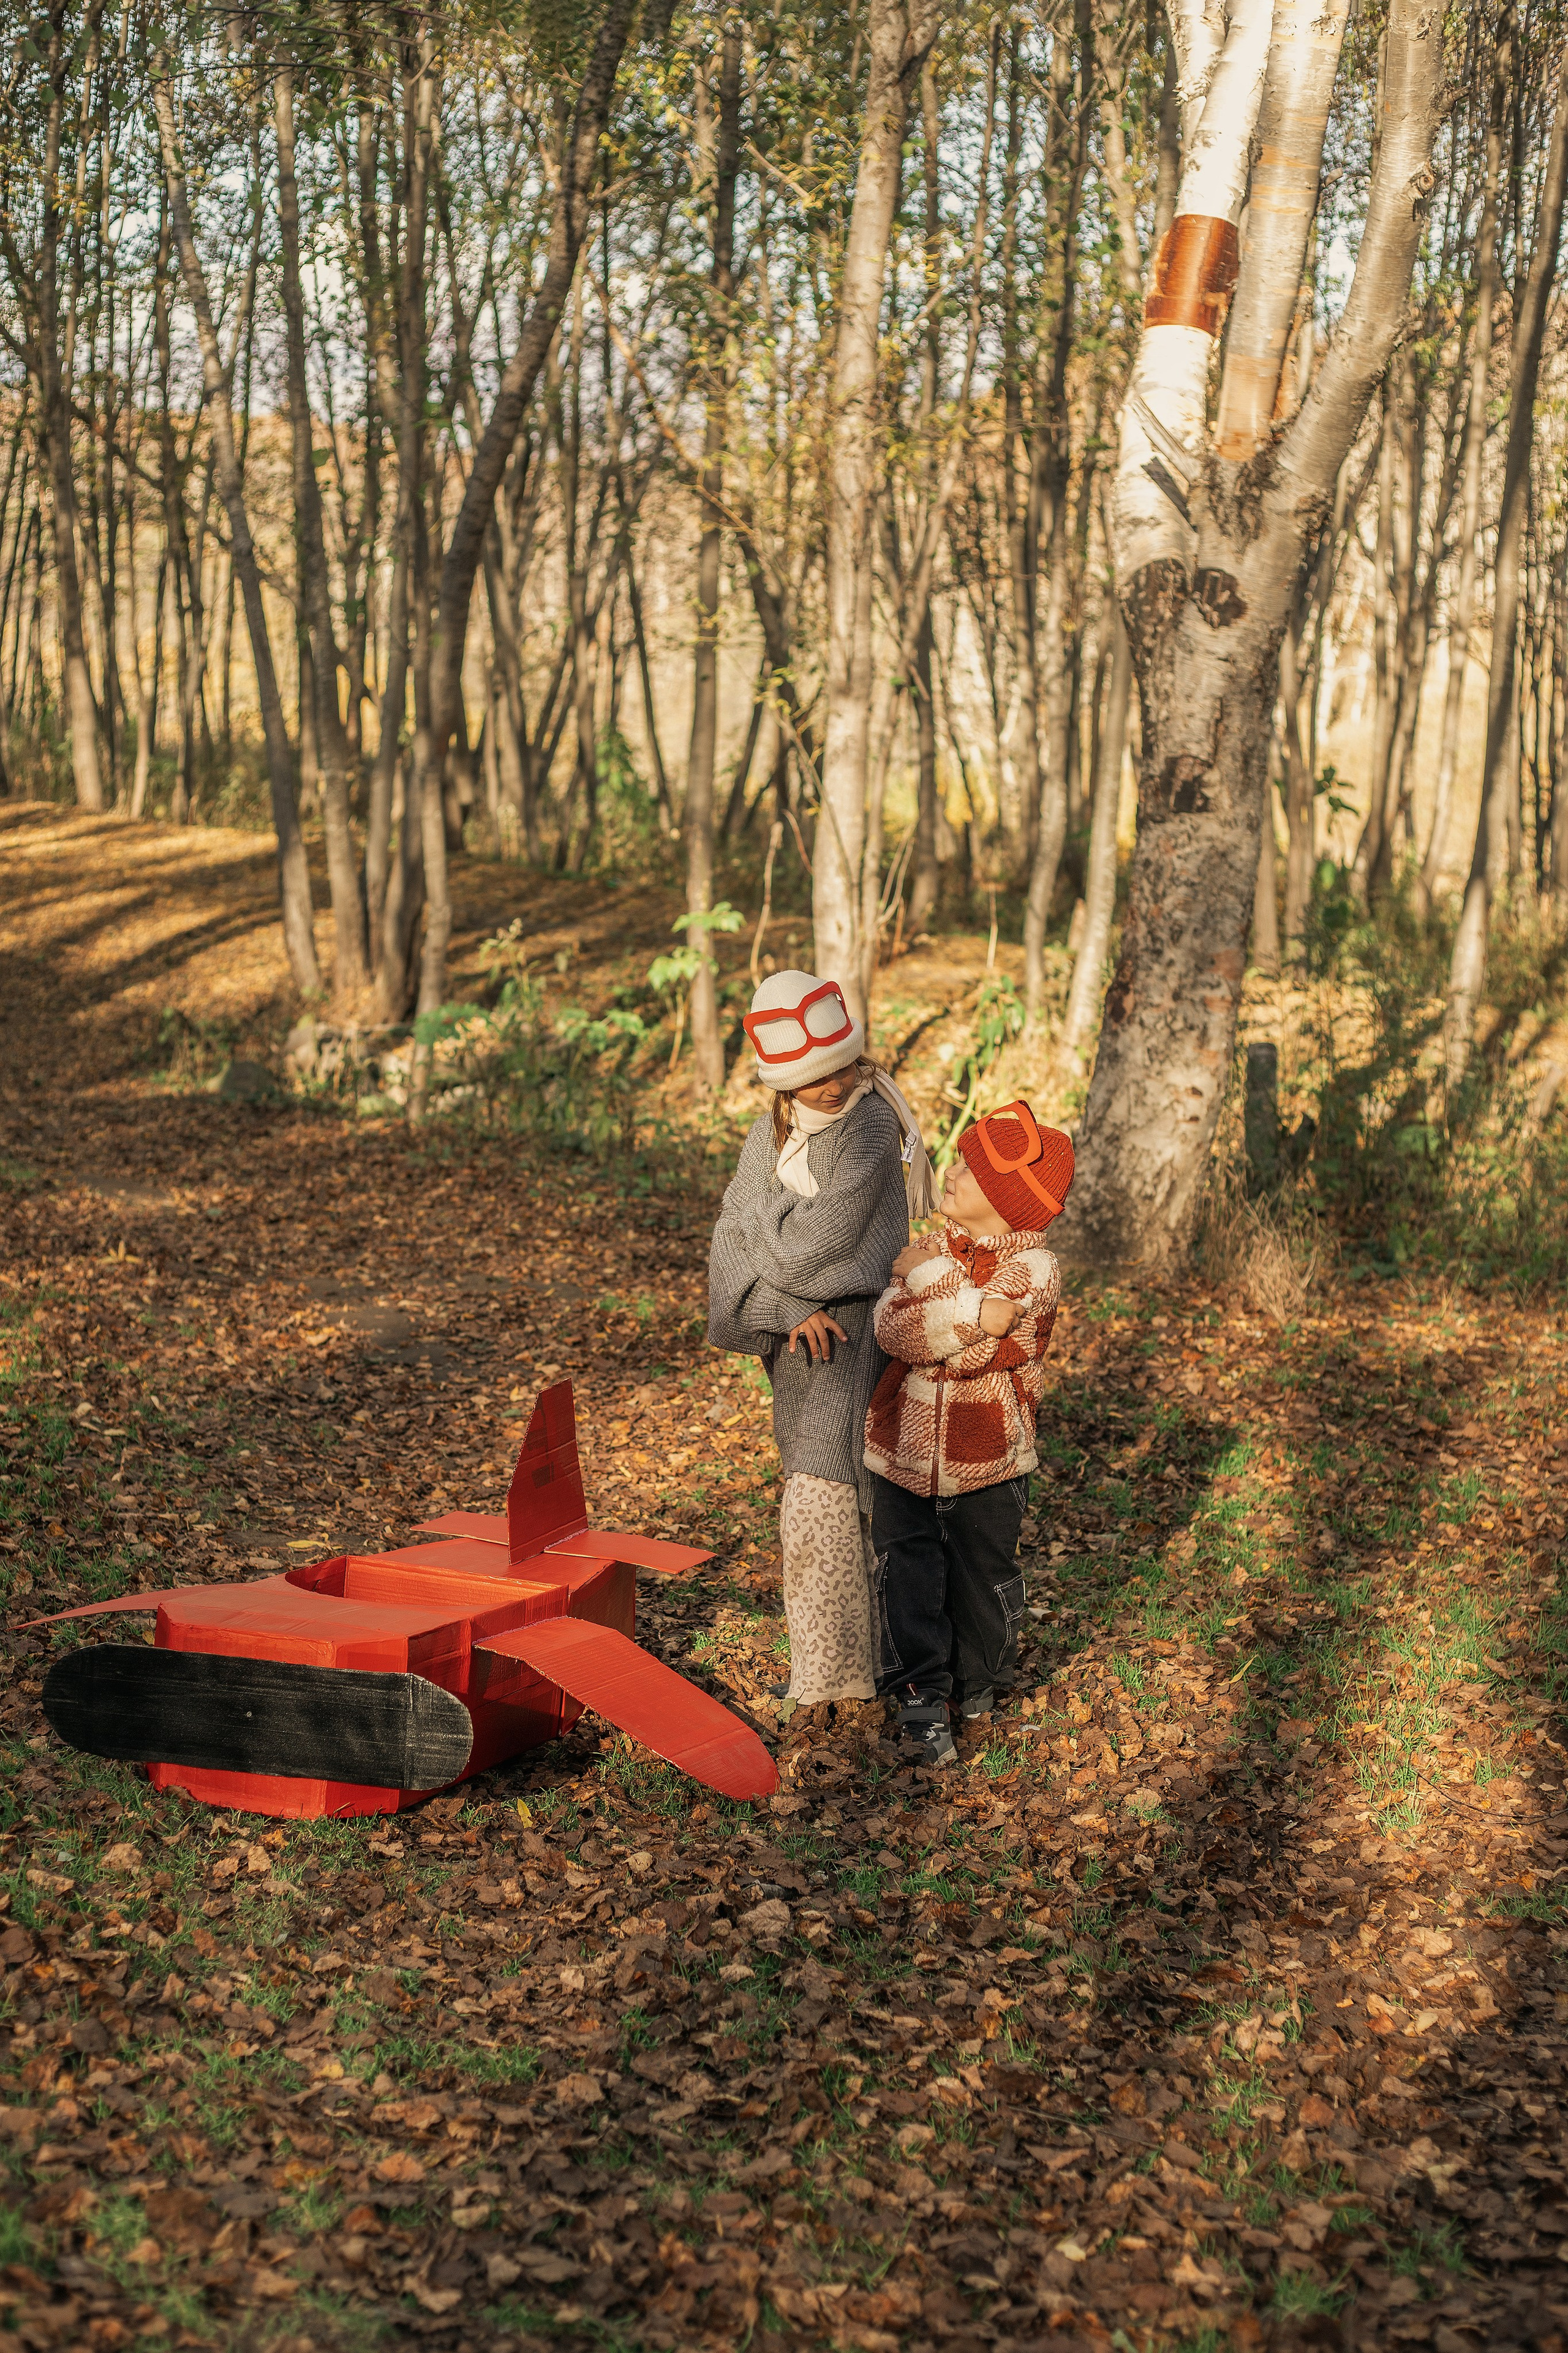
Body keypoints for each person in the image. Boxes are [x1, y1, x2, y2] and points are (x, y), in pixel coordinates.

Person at [708, 972, 935, 1737]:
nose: (834, 1086)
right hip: (799, 1338)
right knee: (816, 1491)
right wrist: (783, 1306)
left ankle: (838, 1678)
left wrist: (767, 1224)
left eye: (840, 1067)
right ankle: (838, 1667)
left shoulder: (871, 1126)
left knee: (825, 1494)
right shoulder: (768, 1131)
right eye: (813, 1078)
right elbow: (726, 1254)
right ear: (784, 1083)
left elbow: (815, 1247)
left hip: (856, 1330)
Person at [864, 1097, 1072, 1767]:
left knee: (983, 1578)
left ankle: (980, 1683)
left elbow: (979, 1353)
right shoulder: (935, 1246)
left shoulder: (1035, 1270)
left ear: (1010, 1202)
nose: (948, 1173)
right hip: (903, 1454)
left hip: (990, 1462)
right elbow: (893, 1330)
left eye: (968, 1168)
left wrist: (926, 1276)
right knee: (908, 1576)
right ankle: (922, 1693)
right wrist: (972, 1310)